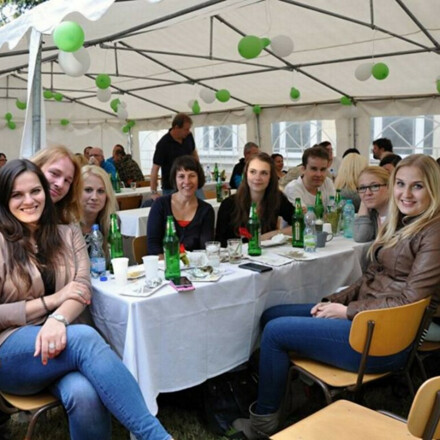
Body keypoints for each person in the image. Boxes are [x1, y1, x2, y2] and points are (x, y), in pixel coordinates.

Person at [233, 154, 440, 439]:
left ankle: (263, 422)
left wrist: (346, 311)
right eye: (400, 184)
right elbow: (370, 277)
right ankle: (291, 391)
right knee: (271, 314)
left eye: (417, 186)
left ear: (433, 188)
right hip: (368, 320)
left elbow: (410, 300)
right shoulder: (404, 222)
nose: (405, 193)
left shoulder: (433, 232)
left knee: (275, 331)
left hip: (383, 338)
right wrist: (335, 300)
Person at [0, 159, 172, 440]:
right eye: (17, 194)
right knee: (84, 337)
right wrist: (52, 304)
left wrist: (58, 319)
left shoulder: (67, 233)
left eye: (35, 191)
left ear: (45, 193)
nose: (29, 201)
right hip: (10, 352)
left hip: (59, 347)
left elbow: (82, 287)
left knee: (85, 394)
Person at [216, 152, 294, 247]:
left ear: (271, 177)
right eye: (253, 172)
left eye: (264, 173)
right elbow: (220, 244)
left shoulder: (277, 198)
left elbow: (300, 224)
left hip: (269, 254)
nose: (257, 178)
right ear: (246, 175)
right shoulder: (228, 204)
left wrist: (273, 234)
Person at [147, 155, 214, 256]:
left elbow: (205, 248)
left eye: (192, 176)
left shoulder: (206, 210)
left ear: (199, 178)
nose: (187, 181)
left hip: (194, 264)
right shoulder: (160, 205)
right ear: (175, 179)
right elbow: (153, 246)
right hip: (165, 264)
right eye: (181, 176)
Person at [150, 113, 200, 199]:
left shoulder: (188, 136)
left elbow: (194, 152)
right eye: (186, 129)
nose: (188, 131)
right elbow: (155, 168)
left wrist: (198, 171)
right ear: (176, 128)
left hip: (191, 183)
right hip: (171, 187)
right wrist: (153, 191)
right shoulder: (163, 144)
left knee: (201, 205)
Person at [32, 145, 82, 224]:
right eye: (54, 173)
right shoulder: (11, 217)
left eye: (67, 181)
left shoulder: (67, 226)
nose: (60, 184)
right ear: (37, 168)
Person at [80, 165, 118, 261]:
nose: (94, 197)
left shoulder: (112, 223)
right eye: (88, 190)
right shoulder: (65, 225)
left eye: (100, 191)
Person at [354, 166, 390, 243]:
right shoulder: (374, 215)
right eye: (362, 188)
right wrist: (364, 203)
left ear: (389, 187)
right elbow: (361, 237)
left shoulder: (400, 216)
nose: (368, 193)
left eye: (374, 186)